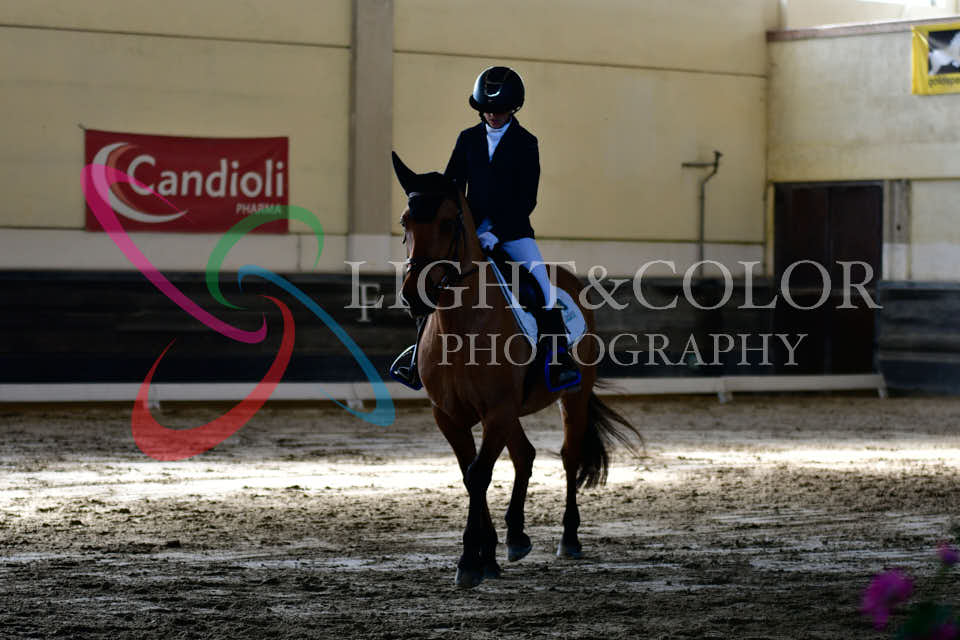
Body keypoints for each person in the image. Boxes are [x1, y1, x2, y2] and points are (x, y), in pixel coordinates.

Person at [391, 66, 580, 392]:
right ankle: (417, 355)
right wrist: (461, 224)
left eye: (500, 110)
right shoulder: (468, 139)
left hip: (514, 232)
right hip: (469, 231)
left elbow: (527, 198)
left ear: (513, 108)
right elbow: (453, 186)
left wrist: (498, 232)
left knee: (542, 288)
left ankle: (559, 358)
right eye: (488, 109)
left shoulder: (526, 143)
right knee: (435, 282)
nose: (493, 115)